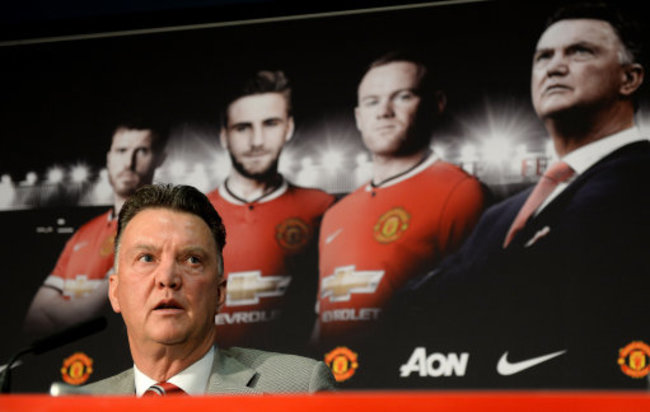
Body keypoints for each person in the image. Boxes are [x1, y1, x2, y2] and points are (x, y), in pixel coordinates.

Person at [397, 2, 650, 389]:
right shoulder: (502, 214)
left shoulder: (637, 180)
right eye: (543, 57)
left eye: (580, 51)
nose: (555, 66)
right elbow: (410, 308)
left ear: (629, 79)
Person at [84, 184, 335, 394]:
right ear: (115, 292)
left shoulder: (297, 388)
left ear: (219, 292)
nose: (168, 278)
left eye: (192, 259)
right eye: (147, 258)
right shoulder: (77, 406)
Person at [315, 52, 487, 348]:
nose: (384, 111)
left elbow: (477, 313)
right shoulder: (336, 214)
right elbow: (324, 320)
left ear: (436, 104)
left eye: (403, 97)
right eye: (372, 101)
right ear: (359, 117)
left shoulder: (460, 193)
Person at [207, 71, 335, 352]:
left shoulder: (322, 208)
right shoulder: (194, 215)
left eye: (270, 124)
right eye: (242, 128)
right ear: (224, 136)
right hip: (210, 388)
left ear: (288, 128)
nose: (257, 140)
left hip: (292, 384)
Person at [23, 120, 167, 337]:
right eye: (121, 150)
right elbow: (34, 319)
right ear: (108, 158)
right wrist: (76, 311)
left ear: (159, 159)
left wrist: (59, 311)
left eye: (142, 151)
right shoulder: (84, 233)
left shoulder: (160, 230)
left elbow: (91, 314)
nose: (129, 162)